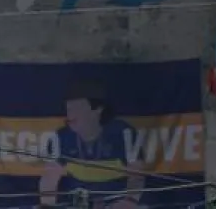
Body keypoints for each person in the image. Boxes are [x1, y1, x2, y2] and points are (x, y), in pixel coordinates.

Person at [38, 80, 143, 208]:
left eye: (77, 108)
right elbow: (49, 178)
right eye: (68, 109)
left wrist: (130, 201)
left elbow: (136, 175)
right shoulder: (60, 138)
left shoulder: (124, 133)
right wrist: (47, 206)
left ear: (98, 109)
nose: (70, 115)